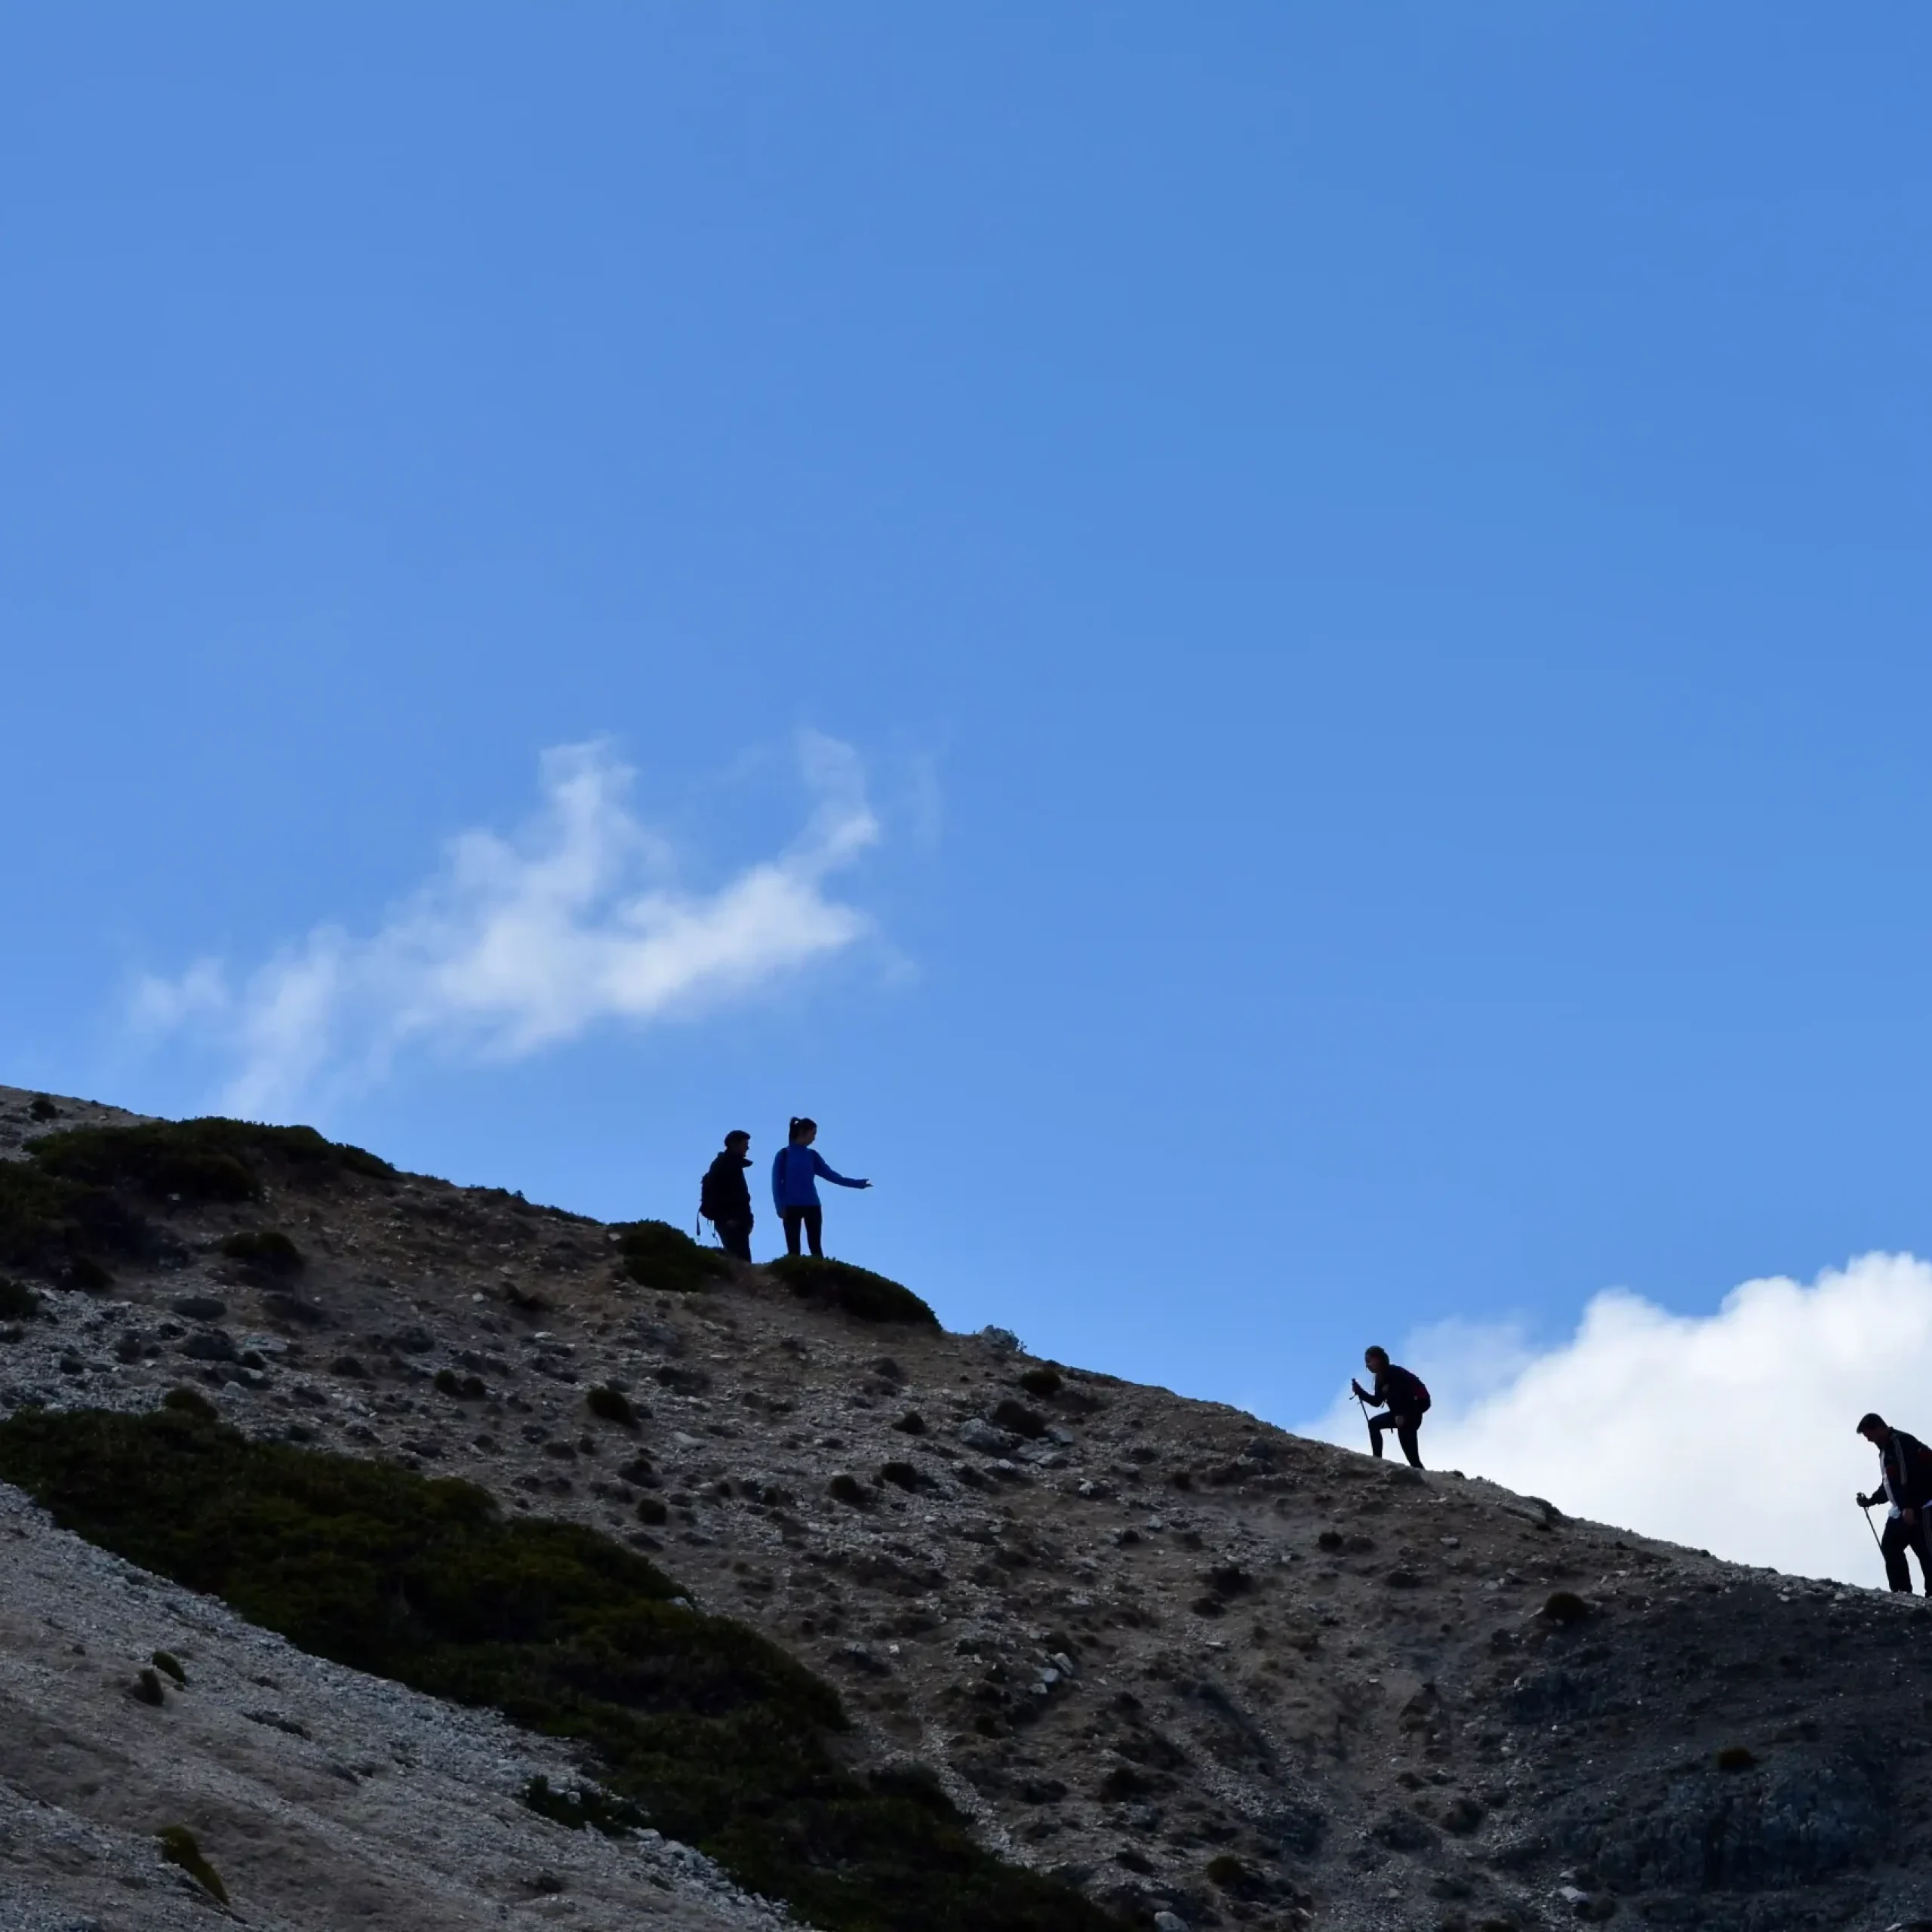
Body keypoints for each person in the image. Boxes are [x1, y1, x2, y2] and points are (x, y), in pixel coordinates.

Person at [771, 1116, 869, 1258]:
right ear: (803, 1132)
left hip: (812, 1205)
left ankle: (819, 1277)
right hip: (791, 1207)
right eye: (813, 1134)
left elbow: (832, 1175)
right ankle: (794, 1277)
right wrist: (780, 1207)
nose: (814, 1139)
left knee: (816, 1248)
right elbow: (776, 1184)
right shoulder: (784, 1155)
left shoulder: (812, 1155)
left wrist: (857, 1184)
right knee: (793, 1250)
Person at [1857, 1411, 1932, 1594]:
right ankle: (1902, 1592)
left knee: (1927, 1551)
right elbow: (1889, 1483)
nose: (1869, 1440)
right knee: (1891, 1546)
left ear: (1879, 1429)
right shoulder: (1885, 1451)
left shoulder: (1899, 1443)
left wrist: (1908, 1507)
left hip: (1922, 1507)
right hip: (1903, 1509)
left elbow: (1908, 1475)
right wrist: (1871, 1501)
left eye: (1869, 1435)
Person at [1351, 1346, 1430, 1469]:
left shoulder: (1395, 1373)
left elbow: (1418, 1400)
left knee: (1413, 1458)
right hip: (1399, 1416)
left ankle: (1378, 1460)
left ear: (1378, 1359)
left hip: (1410, 1415)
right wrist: (1360, 1392)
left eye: (1369, 1361)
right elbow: (1377, 1401)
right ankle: (1377, 1460)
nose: (1368, 1365)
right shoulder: (1380, 1378)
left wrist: (1404, 1415)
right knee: (1374, 1424)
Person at [700, 1130, 755, 1262]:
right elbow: (723, 1194)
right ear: (736, 1144)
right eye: (745, 1143)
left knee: (740, 1258)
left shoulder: (729, 1164)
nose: (747, 1147)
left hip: (734, 1220)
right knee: (740, 1259)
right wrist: (728, 1217)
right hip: (730, 1221)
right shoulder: (726, 1165)